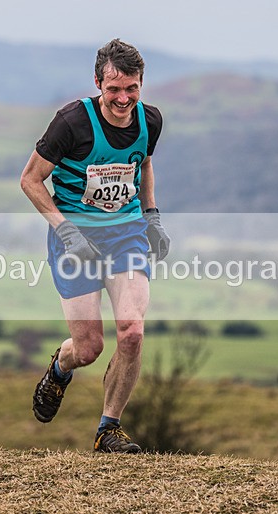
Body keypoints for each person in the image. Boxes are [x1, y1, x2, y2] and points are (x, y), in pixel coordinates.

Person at [21, 38, 170, 453]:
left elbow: (144, 164)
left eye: (132, 88)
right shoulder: (71, 123)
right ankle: (59, 368)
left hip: (126, 234)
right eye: (114, 89)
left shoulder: (150, 121)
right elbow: (30, 180)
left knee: (132, 332)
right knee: (88, 348)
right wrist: (66, 231)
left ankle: (109, 429)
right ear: (98, 84)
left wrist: (152, 216)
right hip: (77, 238)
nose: (123, 99)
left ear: (142, 84)